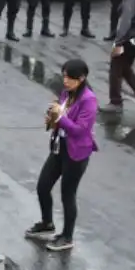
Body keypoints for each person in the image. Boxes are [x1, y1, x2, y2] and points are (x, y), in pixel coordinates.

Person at [26, 58, 98, 253]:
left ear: (81, 78)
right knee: (43, 185)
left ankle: (67, 236)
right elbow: (60, 114)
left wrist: (60, 117)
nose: (65, 81)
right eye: (64, 76)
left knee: (68, 194)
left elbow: (80, 130)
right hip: (59, 147)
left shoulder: (88, 100)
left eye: (70, 78)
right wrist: (52, 117)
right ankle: (47, 222)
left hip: (76, 152)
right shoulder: (67, 93)